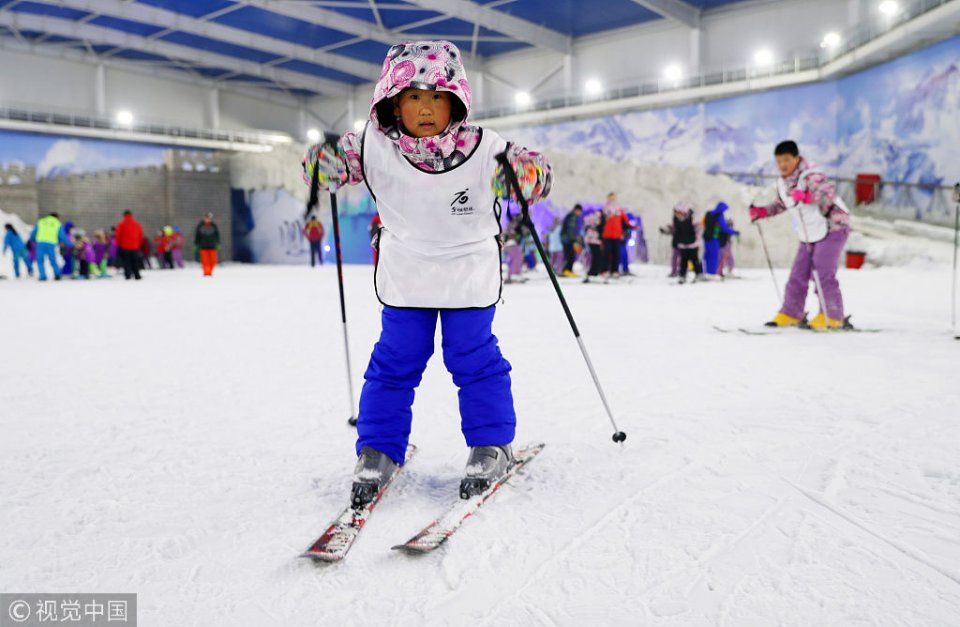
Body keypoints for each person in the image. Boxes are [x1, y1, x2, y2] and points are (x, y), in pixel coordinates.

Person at [302, 40, 552, 504]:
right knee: (396, 359)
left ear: (456, 101)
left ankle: (491, 444)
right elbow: (328, 167)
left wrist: (527, 175)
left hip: (468, 273)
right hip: (408, 274)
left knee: (472, 357)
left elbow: (535, 173)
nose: (424, 108)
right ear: (393, 102)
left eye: (437, 96)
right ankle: (378, 448)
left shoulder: (485, 147)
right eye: (413, 96)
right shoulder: (373, 146)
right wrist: (323, 165)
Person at [750, 140, 851, 330]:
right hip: (810, 231)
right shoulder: (783, 183)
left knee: (822, 270)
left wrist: (807, 197)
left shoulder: (812, 176)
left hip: (833, 226)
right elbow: (782, 204)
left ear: (797, 158)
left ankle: (832, 315)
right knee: (799, 272)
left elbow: (827, 196)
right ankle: (791, 312)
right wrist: (762, 212)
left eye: (787, 160)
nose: (783, 165)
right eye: (779, 161)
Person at [28, 212, 71, 281]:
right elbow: (62, 236)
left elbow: (34, 232)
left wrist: (31, 239)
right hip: (51, 244)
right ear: (56, 217)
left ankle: (42, 276)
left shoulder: (41, 221)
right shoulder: (57, 223)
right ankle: (57, 274)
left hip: (40, 243)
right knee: (53, 260)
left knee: (40, 260)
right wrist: (70, 244)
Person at [703, 202, 739, 275]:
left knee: (707, 255)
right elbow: (724, 228)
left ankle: (705, 271)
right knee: (714, 256)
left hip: (706, 237)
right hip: (714, 238)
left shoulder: (708, 213)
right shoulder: (719, 215)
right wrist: (734, 232)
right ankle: (712, 273)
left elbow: (704, 223)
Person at [672, 203, 703, 284]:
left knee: (694, 260)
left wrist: (697, 240)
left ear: (683, 212)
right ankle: (682, 276)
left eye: (678, 213)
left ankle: (699, 274)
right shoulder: (676, 220)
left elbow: (699, 229)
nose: (676, 215)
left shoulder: (692, 219)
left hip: (693, 245)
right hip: (683, 245)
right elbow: (676, 232)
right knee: (683, 261)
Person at [601, 192, 629, 278]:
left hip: (617, 235)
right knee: (607, 253)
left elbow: (625, 221)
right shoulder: (605, 208)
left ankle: (615, 270)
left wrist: (631, 227)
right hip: (607, 234)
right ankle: (605, 270)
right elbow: (604, 218)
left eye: (614, 198)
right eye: (611, 198)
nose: (612, 199)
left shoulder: (620, 209)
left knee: (616, 253)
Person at [115, 210, 144, 280]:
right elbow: (140, 235)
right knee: (135, 261)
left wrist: (119, 244)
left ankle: (128, 275)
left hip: (125, 246)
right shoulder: (137, 224)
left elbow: (118, 236)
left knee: (126, 262)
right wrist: (138, 244)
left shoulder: (121, 224)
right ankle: (137, 275)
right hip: (135, 247)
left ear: (124, 215)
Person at [194, 212, 221, 277]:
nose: (208, 219)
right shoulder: (200, 226)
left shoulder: (214, 226)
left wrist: (218, 243)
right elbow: (197, 236)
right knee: (205, 261)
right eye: (206, 218)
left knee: (213, 261)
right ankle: (206, 273)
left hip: (212, 246)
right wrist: (196, 244)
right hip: (203, 246)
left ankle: (210, 272)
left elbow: (217, 235)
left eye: (209, 218)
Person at [559, 204, 582, 277]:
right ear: (576, 210)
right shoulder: (572, 217)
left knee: (570, 255)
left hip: (566, 239)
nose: (580, 213)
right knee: (570, 255)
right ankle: (566, 270)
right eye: (579, 211)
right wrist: (574, 241)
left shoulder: (570, 216)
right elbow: (570, 230)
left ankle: (568, 270)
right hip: (568, 239)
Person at [582, 208, 604, 283]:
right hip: (594, 241)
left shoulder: (589, 221)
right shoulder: (596, 218)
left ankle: (593, 271)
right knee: (596, 257)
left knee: (595, 257)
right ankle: (594, 271)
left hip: (592, 240)